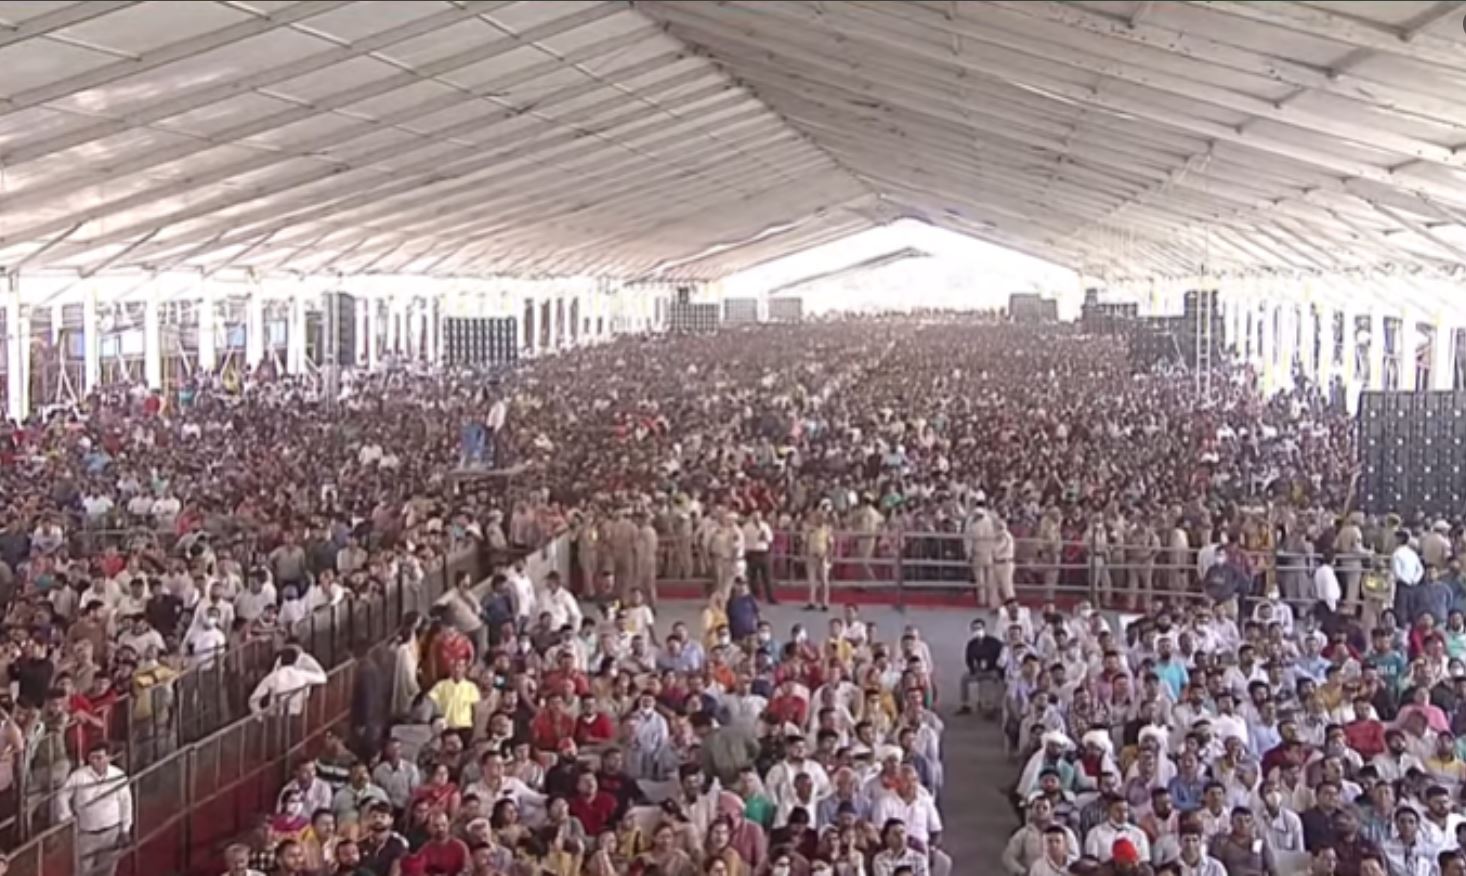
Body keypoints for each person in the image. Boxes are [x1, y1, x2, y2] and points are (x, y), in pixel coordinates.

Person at [56, 743, 133, 876]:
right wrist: (67, 817)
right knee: (82, 871)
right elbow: (62, 794)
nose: (96, 761)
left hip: (111, 832)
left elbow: (126, 804)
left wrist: (125, 829)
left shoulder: (118, 775)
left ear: (108, 758)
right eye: (93, 758)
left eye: (99, 757)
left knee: (107, 871)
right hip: (86, 834)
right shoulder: (78, 776)